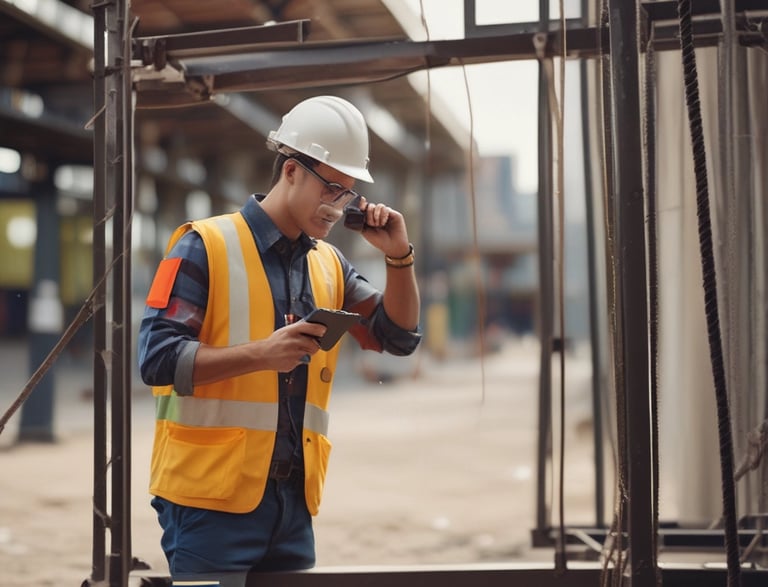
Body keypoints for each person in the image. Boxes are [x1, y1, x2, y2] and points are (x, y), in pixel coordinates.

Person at [137, 95, 421, 587]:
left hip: (292, 504)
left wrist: (399, 258)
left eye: (348, 194)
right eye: (331, 188)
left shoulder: (329, 264)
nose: (338, 207)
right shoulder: (203, 245)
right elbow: (157, 359)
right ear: (291, 171)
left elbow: (396, 337)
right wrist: (261, 354)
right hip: (210, 502)